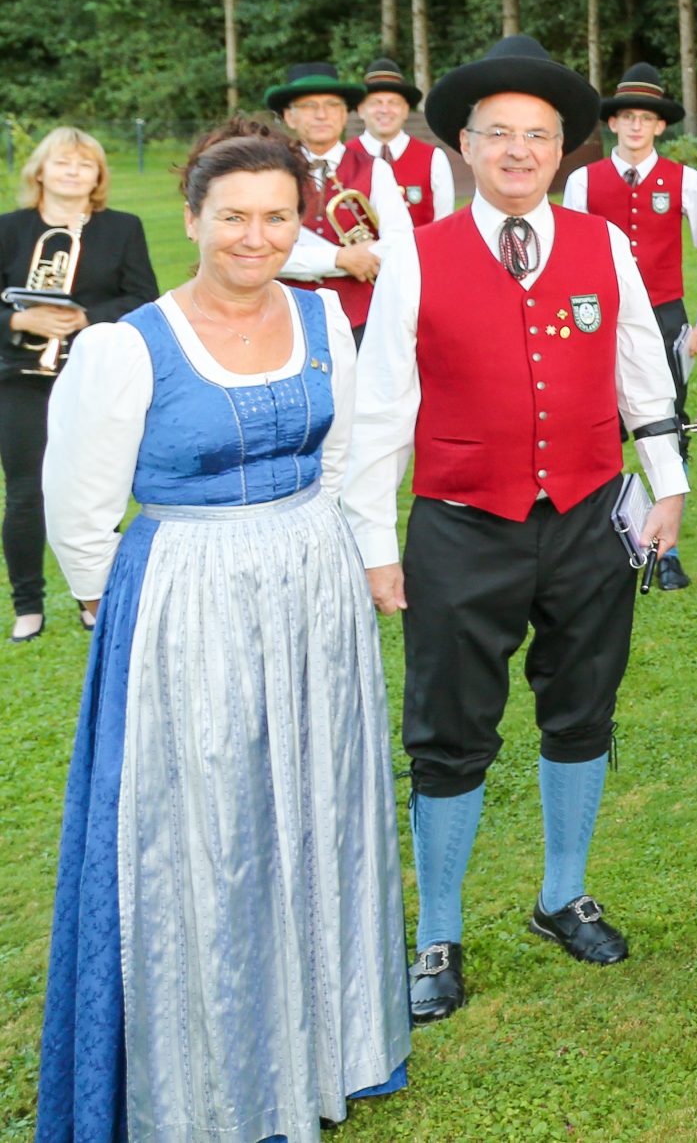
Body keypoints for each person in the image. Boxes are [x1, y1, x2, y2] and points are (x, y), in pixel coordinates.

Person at [36, 117, 408, 1141]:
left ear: (303, 224)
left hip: (312, 581)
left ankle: (321, 1040)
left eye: (279, 217)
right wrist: (120, 615)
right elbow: (79, 507)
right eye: (234, 216)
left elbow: (346, 452)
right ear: (192, 218)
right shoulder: (125, 346)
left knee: (317, 802)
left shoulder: (325, 322)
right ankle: (212, 1061)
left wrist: (338, 547)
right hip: (186, 593)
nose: (257, 236)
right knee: (205, 828)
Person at [345, 34, 690, 1024]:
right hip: (461, 523)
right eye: (497, 134)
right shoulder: (416, 253)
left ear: (562, 149)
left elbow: (641, 373)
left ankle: (559, 893)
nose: (517, 151)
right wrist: (376, 541)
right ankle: (439, 930)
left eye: (537, 136)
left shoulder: (603, 245)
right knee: (450, 733)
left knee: (581, 708)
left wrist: (664, 486)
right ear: (463, 142)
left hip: (586, 517)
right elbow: (380, 410)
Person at [562, 62, 697, 590]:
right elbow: (566, 256)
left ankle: (666, 547)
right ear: (612, 124)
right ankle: (598, 534)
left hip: (664, 318)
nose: (636, 126)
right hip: (596, 317)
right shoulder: (582, 180)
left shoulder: (686, 180)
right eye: (627, 117)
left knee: (666, 423)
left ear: (660, 126)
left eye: (647, 118)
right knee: (594, 422)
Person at [2, 128, 156, 643]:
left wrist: (85, 317)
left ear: (98, 177)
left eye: (85, 164)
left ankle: (92, 594)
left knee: (97, 489)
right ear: (39, 171)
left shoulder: (123, 228)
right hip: (21, 377)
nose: (73, 172)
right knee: (26, 494)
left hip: (92, 374)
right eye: (62, 163)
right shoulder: (8, 228)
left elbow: (142, 297)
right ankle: (28, 603)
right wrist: (22, 322)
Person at [270, 59, 416, 343]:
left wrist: (366, 257)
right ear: (290, 117)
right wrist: (340, 258)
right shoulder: (273, 172)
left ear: (345, 114)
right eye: (309, 106)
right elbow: (266, 252)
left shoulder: (375, 169)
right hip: (288, 315)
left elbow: (401, 240)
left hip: (364, 319)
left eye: (333, 105)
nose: (322, 115)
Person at [354, 56, 454, 224]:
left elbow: (444, 224)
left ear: (405, 110)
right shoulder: (342, 157)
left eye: (393, 103)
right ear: (361, 110)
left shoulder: (434, 158)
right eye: (376, 102)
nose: (385, 110)